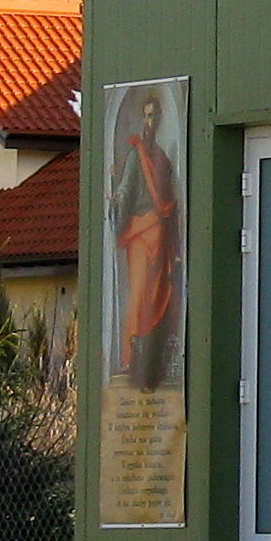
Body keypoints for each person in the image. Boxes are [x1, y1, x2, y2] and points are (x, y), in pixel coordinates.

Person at [108, 85, 182, 392]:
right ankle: (129, 356)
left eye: (155, 117)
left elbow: (171, 202)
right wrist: (117, 199)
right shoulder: (136, 154)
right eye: (147, 116)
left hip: (159, 233)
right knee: (138, 292)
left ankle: (149, 358)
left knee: (157, 295)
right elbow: (126, 188)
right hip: (140, 231)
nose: (150, 122)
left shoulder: (162, 158)